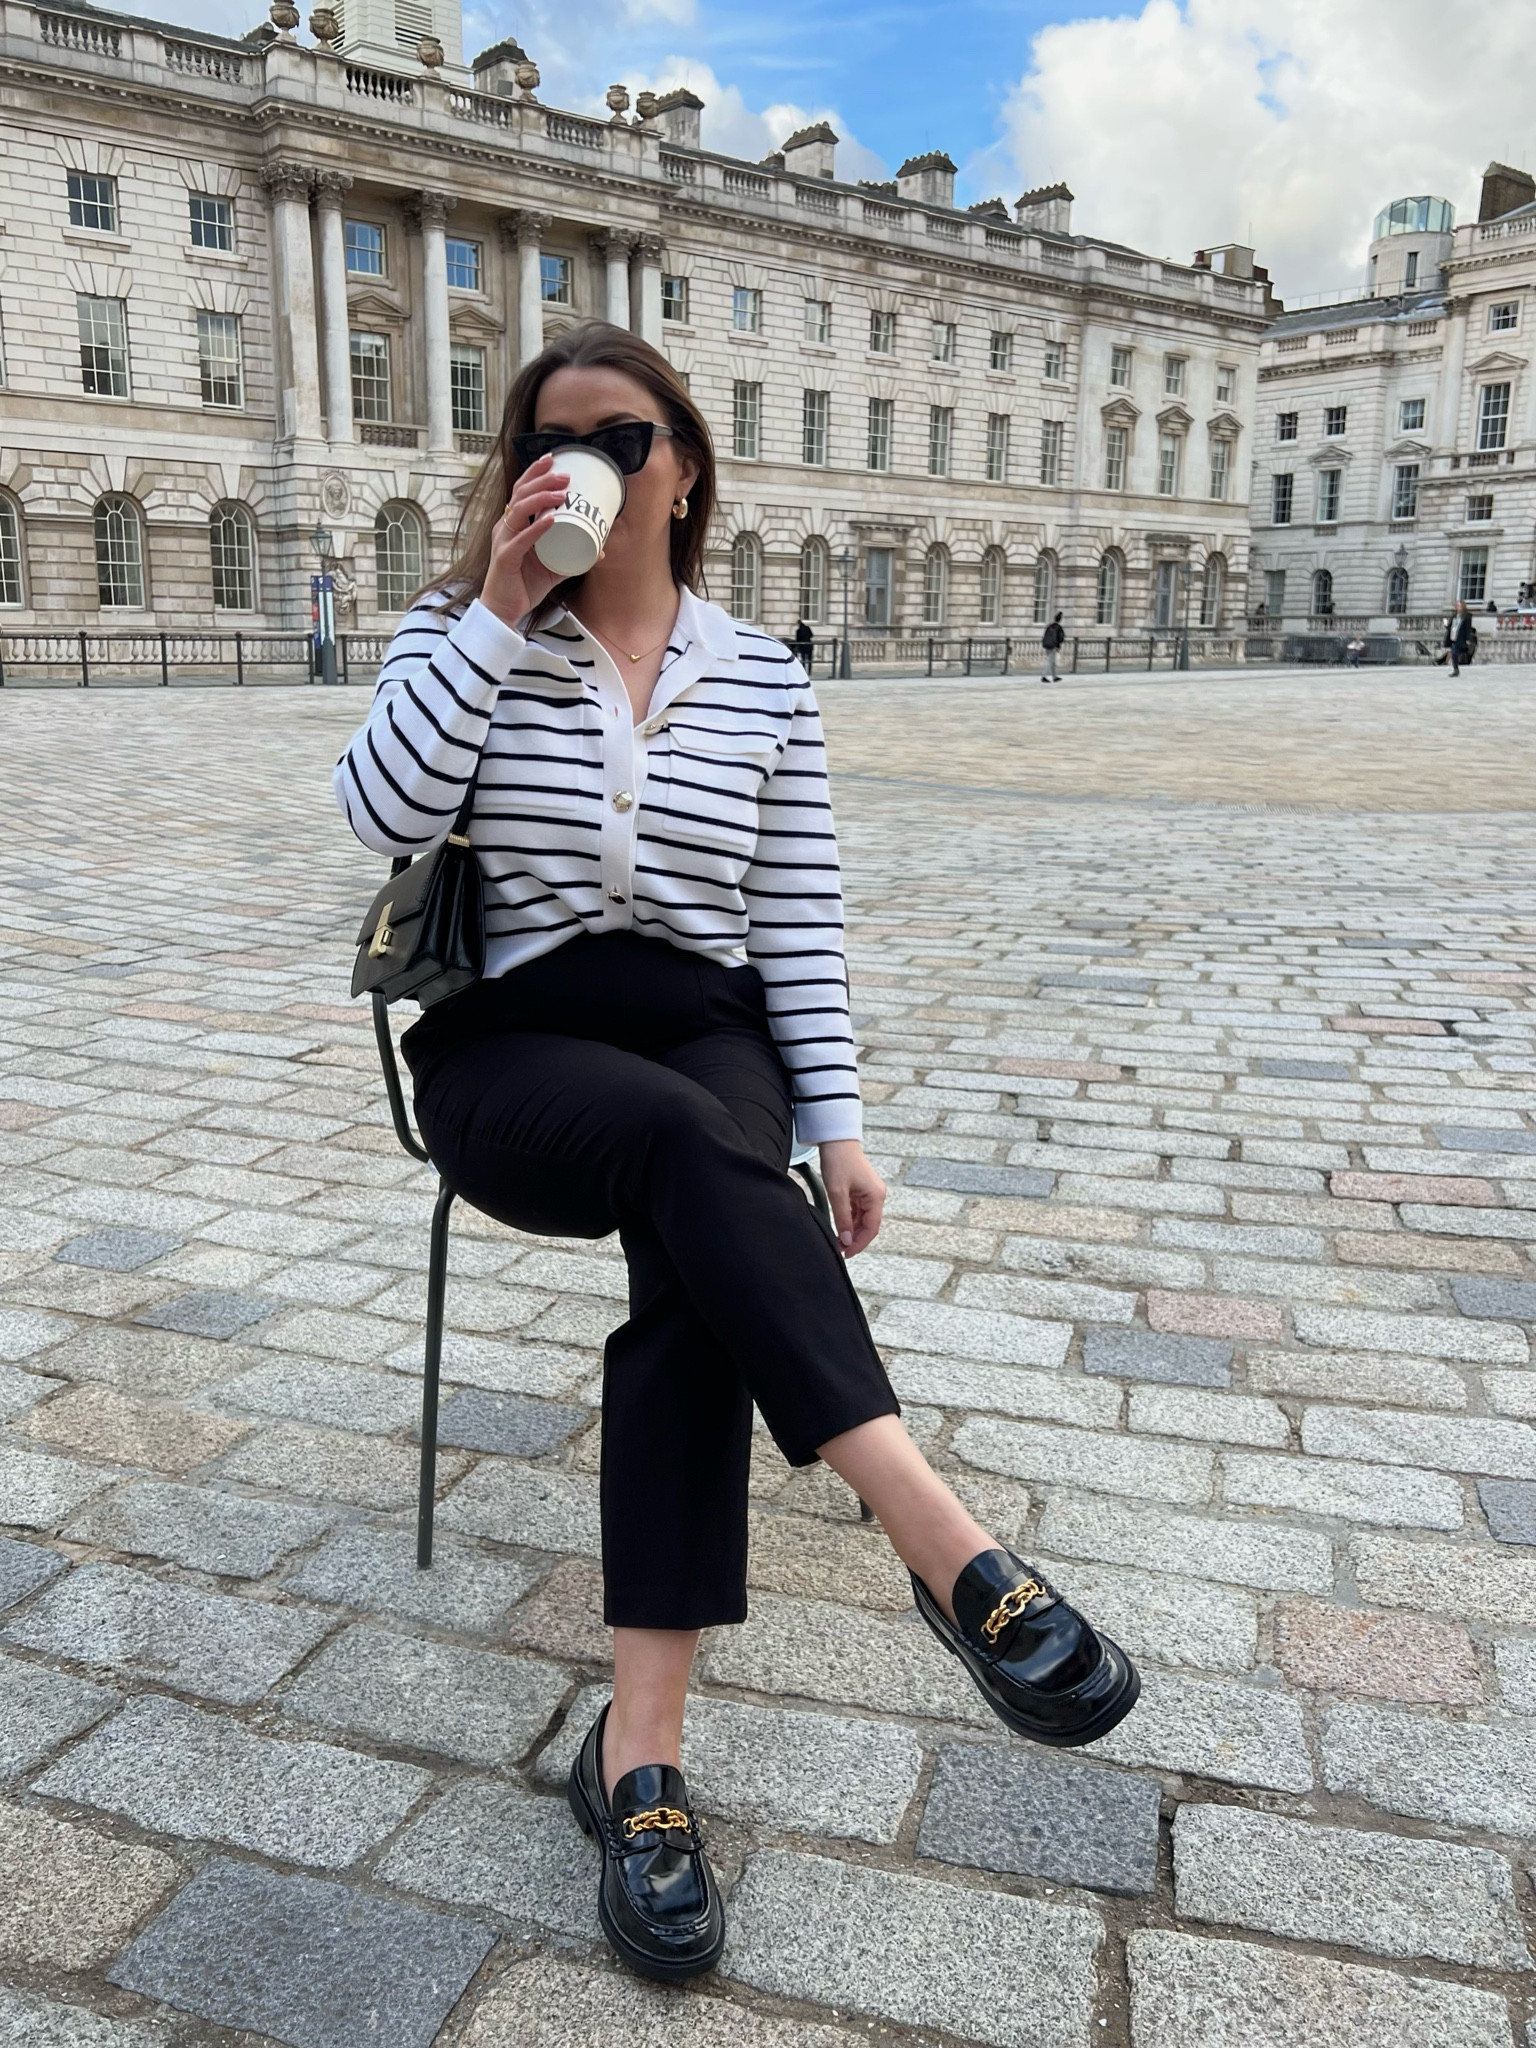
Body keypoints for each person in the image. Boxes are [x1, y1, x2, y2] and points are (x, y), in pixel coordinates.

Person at [334, 321, 1139, 1985]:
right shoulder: (454, 634)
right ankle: (949, 1545)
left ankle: (637, 1762)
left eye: (622, 435)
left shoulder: (762, 672)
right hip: (515, 1046)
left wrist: (837, 1119)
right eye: (550, 440)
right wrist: (497, 606)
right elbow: (378, 819)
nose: (586, 467)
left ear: (684, 465)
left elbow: (795, 920)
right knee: (688, 1153)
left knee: (704, 1213)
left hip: (711, 1035)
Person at [1443, 600, 1476, 677]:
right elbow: (1450, 627)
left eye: (1459, 606)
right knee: (1454, 652)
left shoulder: (1467, 616)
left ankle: (1458, 666)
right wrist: (1446, 624)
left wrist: (1468, 639)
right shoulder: (1454, 615)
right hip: (1454, 636)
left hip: (1462, 637)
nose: (1458, 607)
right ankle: (1456, 669)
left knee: (1459, 652)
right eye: (1457, 606)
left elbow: (1468, 628)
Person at [1041, 610, 1066, 681]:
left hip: (1047, 645)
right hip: (1053, 646)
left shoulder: (1049, 626)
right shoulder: (1058, 628)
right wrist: (1058, 645)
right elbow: (1060, 638)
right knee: (1050, 661)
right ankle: (1044, 676)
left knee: (1052, 662)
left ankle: (1054, 677)